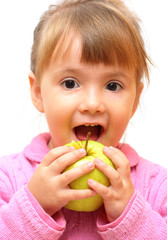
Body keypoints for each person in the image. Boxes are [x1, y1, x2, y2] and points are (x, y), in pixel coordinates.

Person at [0, 0, 167, 239]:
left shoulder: (157, 186)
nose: (92, 104)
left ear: (135, 100)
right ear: (38, 92)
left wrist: (132, 217)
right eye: (70, 83)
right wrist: (33, 207)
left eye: (112, 85)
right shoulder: (7, 177)